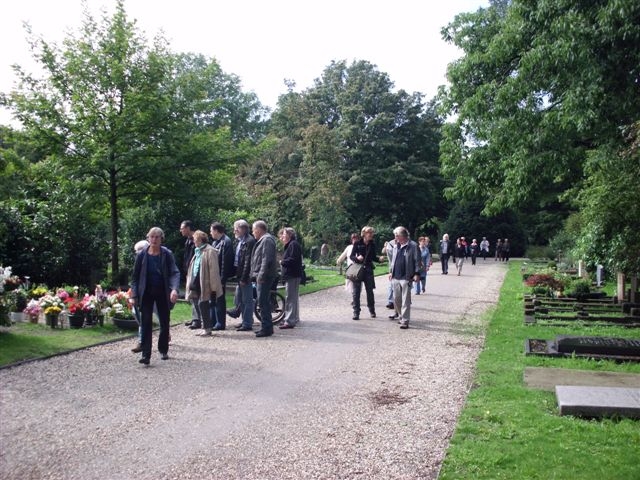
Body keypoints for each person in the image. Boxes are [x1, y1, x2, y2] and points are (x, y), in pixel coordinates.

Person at [130, 227, 180, 365]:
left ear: (161, 239)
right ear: (148, 238)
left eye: (157, 237)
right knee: (146, 323)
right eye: (151, 237)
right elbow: (134, 278)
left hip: (162, 291)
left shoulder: (166, 254)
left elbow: (175, 273)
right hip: (146, 292)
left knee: (164, 322)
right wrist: (133, 295)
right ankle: (146, 355)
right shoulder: (141, 255)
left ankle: (163, 349)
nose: (154, 239)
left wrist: (174, 289)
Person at [186, 230, 223, 337]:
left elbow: (213, 271)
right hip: (197, 281)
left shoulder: (210, 251)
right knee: (200, 304)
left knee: (204, 304)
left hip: (205, 282)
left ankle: (207, 328)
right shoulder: (198, 251)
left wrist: (214, 288)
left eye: (195, 239)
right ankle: (205, 327)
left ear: (200, 240)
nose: (194, 241)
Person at [388, 227, 420, 329]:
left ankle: (405, 320)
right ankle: (401, 316)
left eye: (397, 236)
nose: (395, 238)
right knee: (396, 299)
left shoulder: (413, 246)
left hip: (406, 276)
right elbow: (393, 260)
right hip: (395, 276)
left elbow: (417, 261)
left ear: (403, 236)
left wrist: (416, 273)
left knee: (405, 299)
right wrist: (390, 271)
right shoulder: (395, 245)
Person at [250, 220, 278, 338]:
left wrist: (261, 275)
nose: (252, 232)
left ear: (259, 229)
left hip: (265, 277)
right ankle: (266, 327)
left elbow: (266, 259)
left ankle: (266, 328)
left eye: (253, 230)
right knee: (262, 302)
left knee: (263, 302)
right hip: (262, 276)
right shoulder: (264, 240)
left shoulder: (266, 240)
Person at [228, 219, 257, 332]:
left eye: (237, 228)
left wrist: (244, 277)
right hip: (240, 274)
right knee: (240, 298)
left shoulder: (249, 241)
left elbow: (247, 261)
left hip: (245, 276)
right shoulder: (240, 241)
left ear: (244, 229)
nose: (235, 230)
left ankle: (247, 323)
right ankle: (245, 320)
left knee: (247, 299)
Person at [349, 226, 380, 320]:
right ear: (364, 234)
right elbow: (351, 256)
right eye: (368, 232)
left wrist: (379, 259)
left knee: (370, 291)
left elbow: (374, 257)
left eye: (371, 232)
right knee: (356, 292)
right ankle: (356, 312)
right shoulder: (357, 243)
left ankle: (372, 310)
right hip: (358, 270)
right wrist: (357, 258)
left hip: (368, 270)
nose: (371, 234)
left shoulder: (372, 244)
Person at [210, 222, 235, 330]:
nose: (210, 233)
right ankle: (213, 321)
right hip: (213, 275)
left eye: (211, 230)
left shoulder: (226, 242)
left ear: (216, 231)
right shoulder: (216, 242)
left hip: (219, 276)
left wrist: (222, 278)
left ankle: (220, 323)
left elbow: (225, 262)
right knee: (213, 299)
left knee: (219, 300)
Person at [279, 227, 303, 329]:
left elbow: (292, 259)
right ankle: (294, 318)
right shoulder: (292, 244)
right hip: (292, 275)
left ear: (289, 235)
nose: (282, 236)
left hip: (292, 275)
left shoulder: (293, 245)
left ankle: (289, 321)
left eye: (284, 234)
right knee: (293, 298)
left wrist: (282, 262)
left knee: (290, 298)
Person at [180, 220, 199, 329]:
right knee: (192, 296)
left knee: (195, 294)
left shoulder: (196, 240)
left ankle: (197, 320)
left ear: (188, 228)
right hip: (189, 271)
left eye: (182, 228)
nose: (181, 230)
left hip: (194, 271)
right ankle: (194, 318)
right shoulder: (188, 240)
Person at [130, 239, 149, 353]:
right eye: (136, 251)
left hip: (154, 294)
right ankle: (142, 342)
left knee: (161, 318)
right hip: (141, 295)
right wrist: (134, 295)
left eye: (139, 250)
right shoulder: (138, 261)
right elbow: (134, 279)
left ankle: (165, 335)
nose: (137, 253)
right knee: (141, 318)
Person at [382, 239, 396, 308]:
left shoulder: (407, 243)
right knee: (391, 284)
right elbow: (383, 252)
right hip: (392, 267)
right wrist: (385, 246)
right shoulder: (391, 243)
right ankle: (391, 301)